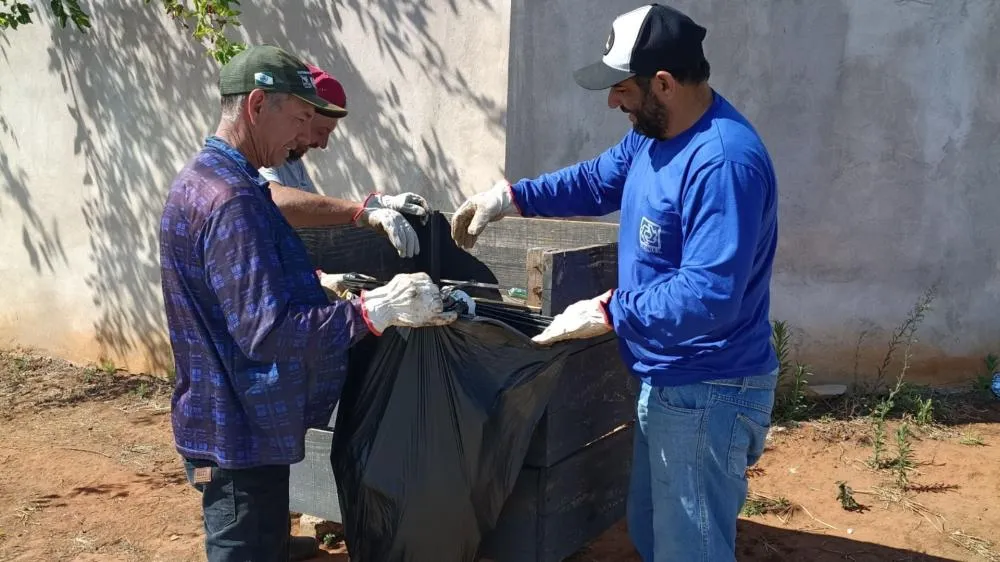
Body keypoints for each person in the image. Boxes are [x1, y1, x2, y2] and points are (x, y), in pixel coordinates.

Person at [450, 4, 779, 561]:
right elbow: (596, 180)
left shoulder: (722, 163)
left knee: (689, 550)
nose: (612, 101)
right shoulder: (654, 137)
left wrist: (611, 310)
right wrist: (511, 198)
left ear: (664, 83)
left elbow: (709, 297)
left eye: (621, 89)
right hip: (668, 379)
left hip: (709, 388)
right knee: (654, 534)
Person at [158, 44, 457, 562]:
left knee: (264, 533)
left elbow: (243, 292)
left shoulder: (219, 180)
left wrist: (321, 277)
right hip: (238, 436)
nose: (304, 135)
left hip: (236, 422)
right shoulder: (232, 202)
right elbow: (269, 331)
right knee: (244, 542)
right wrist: (372, 312)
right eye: (299, 118)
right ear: (256, 106)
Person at [260, 63, 428, 258]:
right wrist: (361, 211)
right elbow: (276, 200)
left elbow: (315, 214)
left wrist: (373, 205)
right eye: (321, 131)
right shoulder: (265, 155)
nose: (322, 144)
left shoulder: (292, 160)